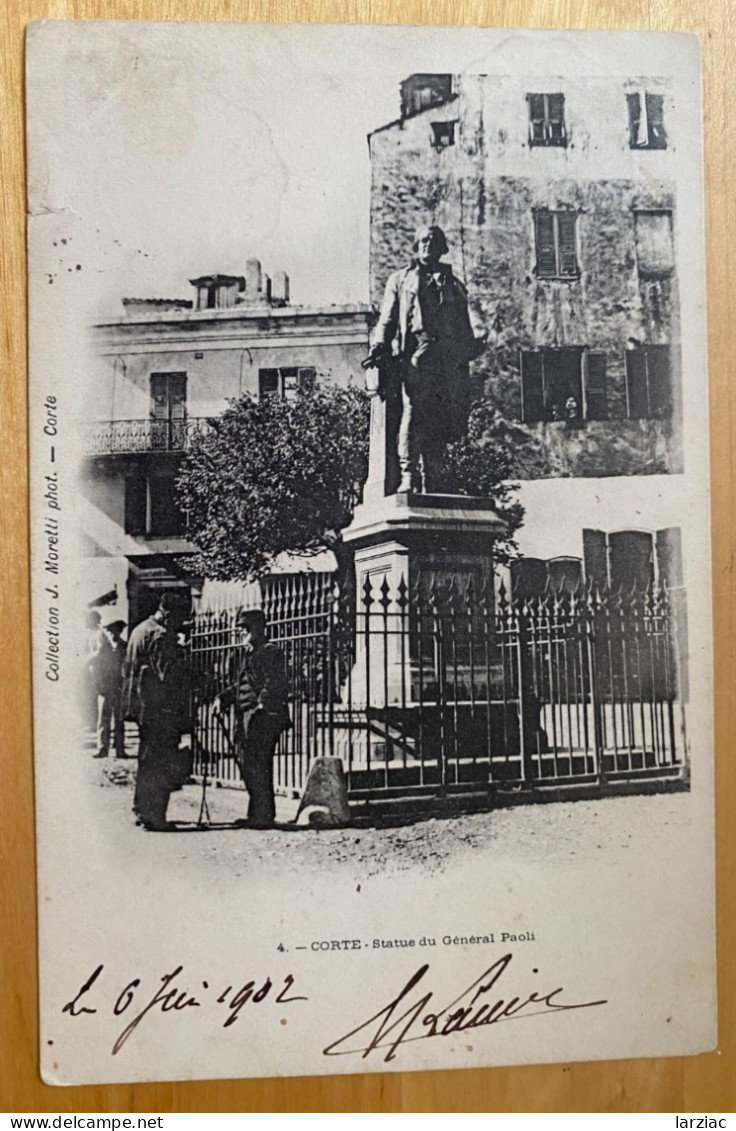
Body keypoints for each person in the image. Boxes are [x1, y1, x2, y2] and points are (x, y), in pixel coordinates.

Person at [367, 224, 487, 493]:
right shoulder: (400, 280)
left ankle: (435, 476)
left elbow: (467, 324)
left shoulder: (455, 286)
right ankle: (409, 474)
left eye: (432, 240)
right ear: (415, 245)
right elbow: (387, 318)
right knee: (412, 412)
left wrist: (476, 342)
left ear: (442, 247)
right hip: (417, 355)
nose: (426, 245)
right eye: (421, 240)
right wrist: (379, 345)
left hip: (447, 358)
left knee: (441, 417)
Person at [122, 593, 192, 831]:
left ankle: (142, 809)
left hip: (143, 708)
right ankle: (156, 816)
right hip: (161, 710)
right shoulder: (160, 636)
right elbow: (169, 674)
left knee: (147, 760)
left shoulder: (139, 629)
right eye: (180, 619)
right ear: (169, 614)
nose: (180, 625)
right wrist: (183, 655)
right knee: (161, 762)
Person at [218, 609, 290, 829]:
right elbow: (241, 686)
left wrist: (261, 707)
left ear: (260, 628)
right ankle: (256, 813)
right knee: (248, 764)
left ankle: (263, 816)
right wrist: (222, 698)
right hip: (245, 715)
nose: (243, 632)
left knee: (259, 765)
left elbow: (273, 684)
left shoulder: (271, 652)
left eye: (247, 628)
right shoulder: (248, 654)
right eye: (241, 628)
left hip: (262, 718)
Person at [94, 620, 127, 758]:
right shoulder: (103, 648)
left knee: (119, 719)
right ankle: (102, 748)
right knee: (103, 719)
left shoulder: (125, 647)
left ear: (120, 632)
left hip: (119, 687)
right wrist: (98, 684)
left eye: (116, 631)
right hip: (105, 688)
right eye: (110, 631)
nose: (113, 634)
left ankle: (120, 749)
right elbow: (97, 668)